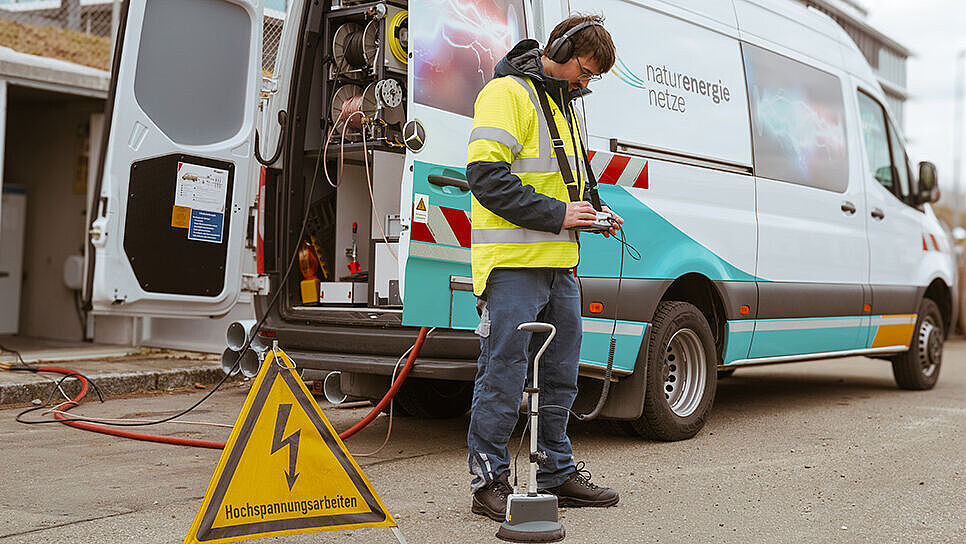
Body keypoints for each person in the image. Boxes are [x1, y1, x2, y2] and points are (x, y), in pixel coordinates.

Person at [465, 14, 624, 521]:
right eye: (586, 69)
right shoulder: (506, 94)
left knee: (560, 377)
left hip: (560, 268)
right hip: (513, 265)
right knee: (503, 375)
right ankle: (489, 480)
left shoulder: (563, 105)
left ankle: (556, 471)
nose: (586, 82)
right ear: (562, 48)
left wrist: (596, 209)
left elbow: (571, 178)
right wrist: (558, 214)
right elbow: (486, 177)